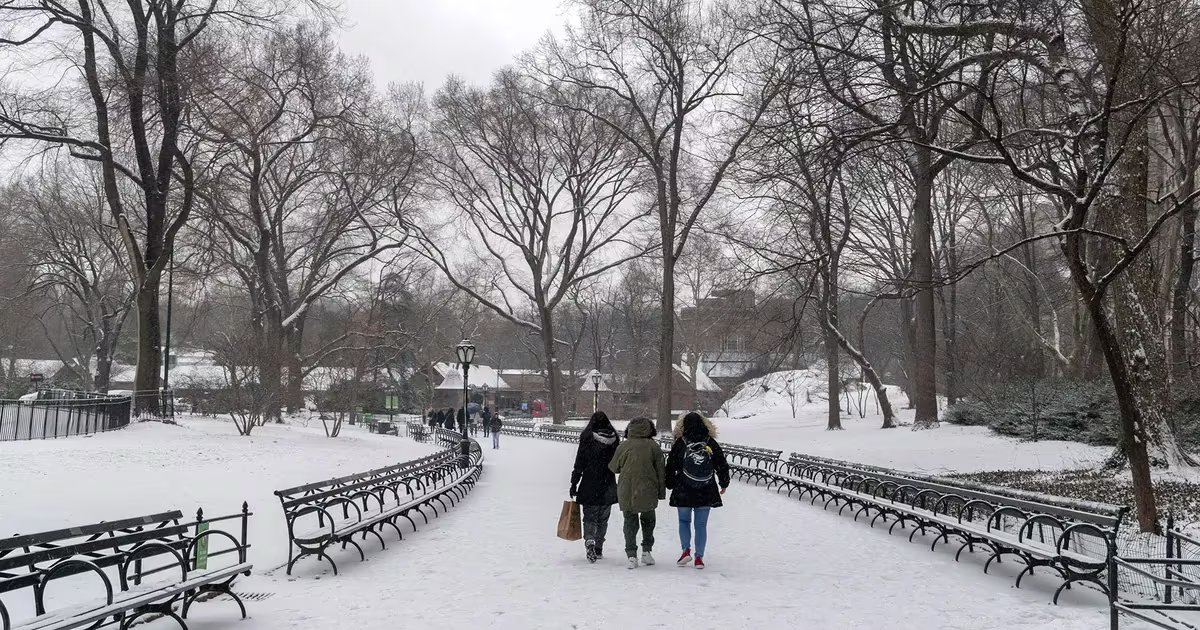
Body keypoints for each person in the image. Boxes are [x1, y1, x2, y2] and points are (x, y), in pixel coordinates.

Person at [665, 412, 730, 570]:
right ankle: (699, 557)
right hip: (705, 488)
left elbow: (671, 464)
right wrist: (724, 482)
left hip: (683, 488)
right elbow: (721, 462)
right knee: (701, 525)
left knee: (684, 521)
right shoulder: (710, 442)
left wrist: (670, 483)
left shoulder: (681, 442)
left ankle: (685, 550)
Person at [608, 417, 665, 569]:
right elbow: (661, 471)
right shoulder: (654, 446)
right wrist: (661, 492)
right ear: (650, 429)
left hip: (627, 488)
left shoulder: (624, 446)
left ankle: (631, 555)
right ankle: (647, 551)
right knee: (648, 519)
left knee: (629, 521)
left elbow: (614, 467)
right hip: (648, 488)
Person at [570, 411, 620, 563]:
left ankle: (590, 540)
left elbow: (580, 462)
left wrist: (574, 482)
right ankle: (598, 546)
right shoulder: (615, 439)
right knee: (603, 518)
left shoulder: (587, 438)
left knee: (590, 516)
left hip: (589, 482)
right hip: (608, 483)